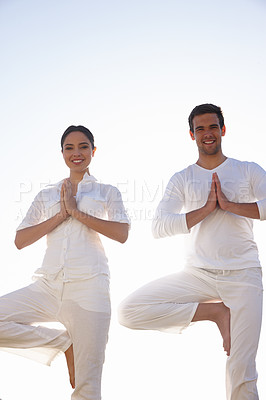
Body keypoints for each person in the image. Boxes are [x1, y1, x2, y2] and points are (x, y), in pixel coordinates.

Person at [118, 104, 265, 400]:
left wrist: (229, 205)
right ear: (191, 135)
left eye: (212, 127)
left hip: (244, 275)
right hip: (198, 274)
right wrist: (206, 209)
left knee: (241, 367)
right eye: (200, 129)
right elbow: (159, 226)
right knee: (128, 311)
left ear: (222, 130)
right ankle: (215, 312)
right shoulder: (182, 178)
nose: (207, 134)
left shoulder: (247, 169)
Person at [0, 125, 130, 400]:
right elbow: (20, 240)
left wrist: (76, 212)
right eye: (69, 148)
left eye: (83, 146)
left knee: (87, 387)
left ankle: (71, 349)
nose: (77, 153)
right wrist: (61, 215)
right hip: (47, 286)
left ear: (93, 151)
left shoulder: (107, 191)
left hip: (89, 290)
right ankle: (61, 342)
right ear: (62, 154)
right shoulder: (46, 195)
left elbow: (121, 234)